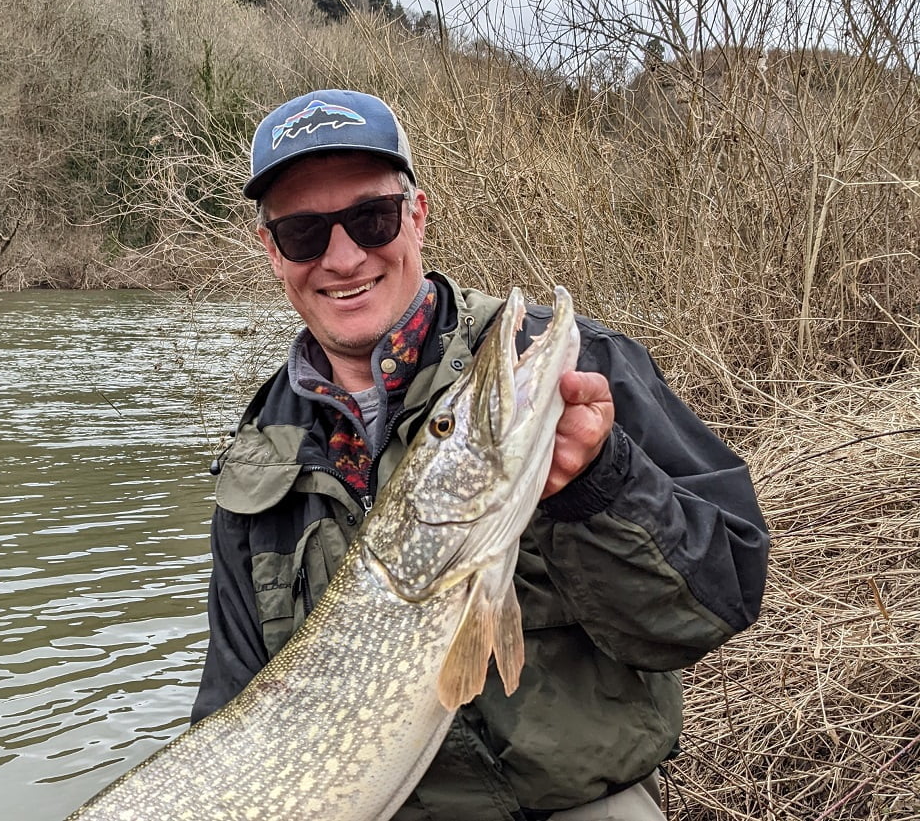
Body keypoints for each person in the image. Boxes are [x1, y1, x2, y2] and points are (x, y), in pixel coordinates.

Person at [191, 89, 770, 821]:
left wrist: (599, 485)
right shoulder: (256, 458)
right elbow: (229, 714)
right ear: (273, 253)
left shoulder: (573, 368)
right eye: (305, 234)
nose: (343, 257)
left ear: (419, 214)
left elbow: (720, 600)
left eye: (371, 219)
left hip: (569, 807)